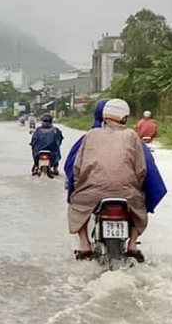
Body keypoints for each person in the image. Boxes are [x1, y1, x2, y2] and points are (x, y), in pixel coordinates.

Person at [65, 98, 166, 259]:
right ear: (125, 117)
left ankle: (84, 244)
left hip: (91, 193)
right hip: (127, 193)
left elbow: (77, 167)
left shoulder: (91, 135)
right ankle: (132, 244)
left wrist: (78, 186)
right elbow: (141, 169)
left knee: (76, 206)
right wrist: (136, 187)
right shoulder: (132, 136)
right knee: (139, 207)